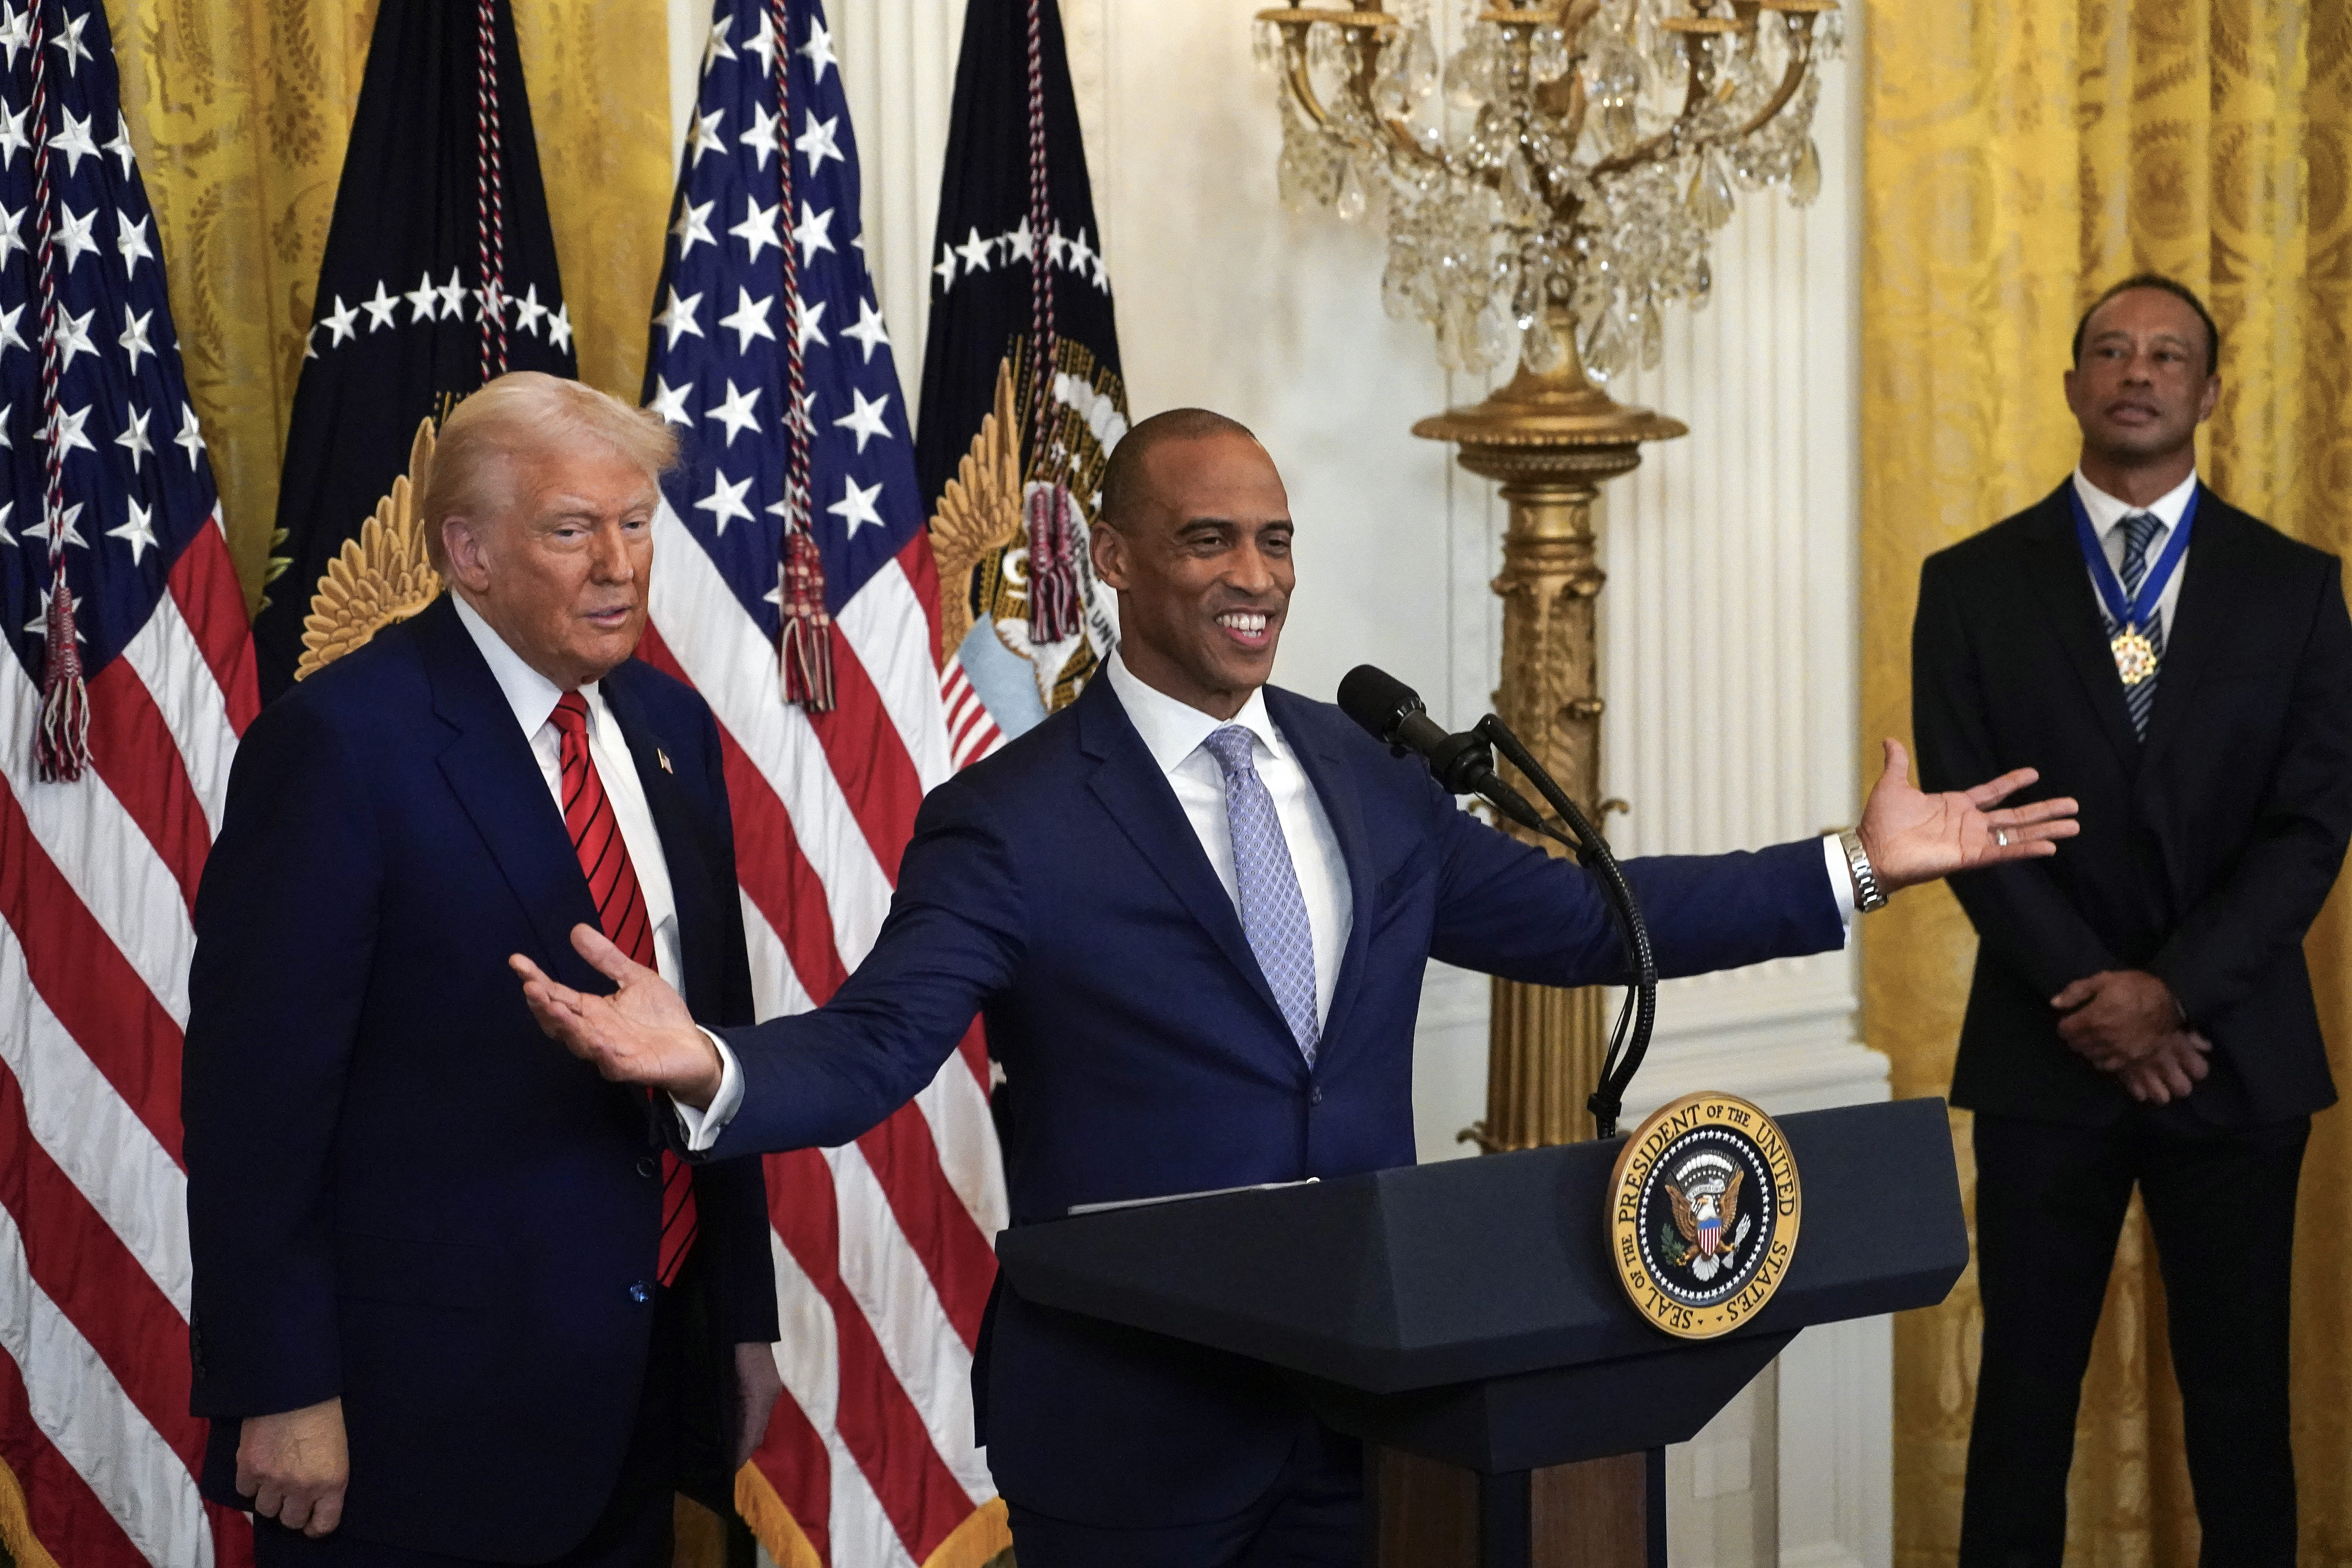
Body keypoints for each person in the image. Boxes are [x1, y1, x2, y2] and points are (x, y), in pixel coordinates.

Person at [516, 408, 2077, 1567]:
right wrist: (711, 1061)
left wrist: (1853, 867)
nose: (1253, 576)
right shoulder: (1014, 813)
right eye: (1208, 540)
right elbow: (881, 1041)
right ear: (1115, 561)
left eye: (1272, 539)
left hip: (1374, 1408)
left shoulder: (1362, 767)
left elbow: (1584, 919)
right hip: (1136, 1429)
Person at [183, 373, 783, 1566]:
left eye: (634, 525)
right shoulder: (343, 743)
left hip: (644, 1378)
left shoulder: (670, 728)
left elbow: (709, 1036)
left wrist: (740, 1321)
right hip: (417, 1417)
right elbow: (257, 1101)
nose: (618, 564)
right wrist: (283, 1382)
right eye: (571, 529)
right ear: (469, 550)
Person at [1912, 275, 2352, 1566]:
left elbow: (2310, 825)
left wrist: (2172, 995)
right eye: (2109, 349)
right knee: (2022, 1409)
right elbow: (1968, 822)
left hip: (2233, 1055)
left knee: (2237, 1413)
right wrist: (2099, 1000)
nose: (2137, 370)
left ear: (2209, 394)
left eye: (2167, 355)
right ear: (2070, 385)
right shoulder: (1972, 583)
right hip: (2045, 1056)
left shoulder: (2295, 587)